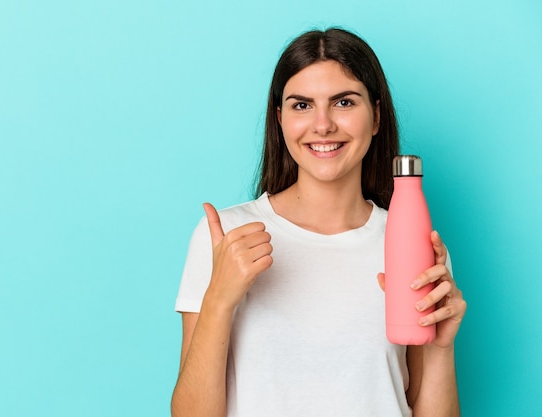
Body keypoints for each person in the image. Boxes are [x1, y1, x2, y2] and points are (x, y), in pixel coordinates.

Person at [171, 27, 467, 417]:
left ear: (376, 116)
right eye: (301, 105)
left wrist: (441, 349)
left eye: (344, 102)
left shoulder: (412, 245)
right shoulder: (226, 237)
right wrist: (219, 300)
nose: (323, 124)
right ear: (279, 119)